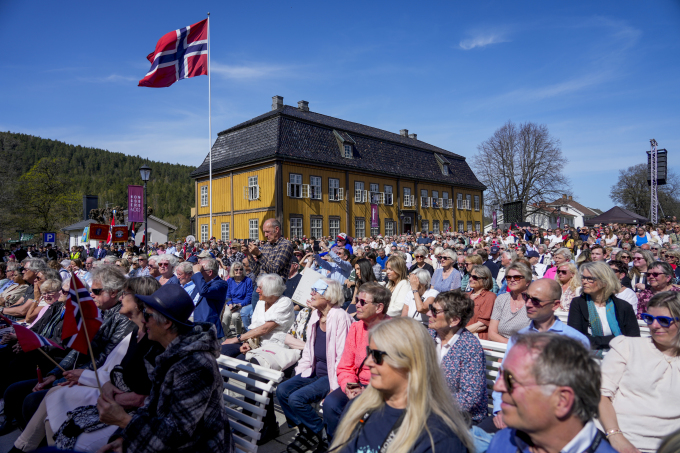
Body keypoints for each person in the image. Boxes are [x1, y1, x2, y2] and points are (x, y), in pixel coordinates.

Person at [9, 277, 163, 452]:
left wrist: (83, 376)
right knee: (45, 399)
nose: (121, 298)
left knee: (45, 399)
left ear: (139, 299)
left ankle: (24, 447)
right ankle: (23, 447)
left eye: (125, 294)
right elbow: (85, 349)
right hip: (99, 385)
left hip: (113, 399)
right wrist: (58, 374)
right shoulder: (134, 330)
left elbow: (115, 373)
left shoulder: (149, 336)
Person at [95, 284, 234, 453]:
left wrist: (124, 420)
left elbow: (178, 432)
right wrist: (123, 437)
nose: (143, 319)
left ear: (167, 323)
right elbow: (151, 408)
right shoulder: (168, 352)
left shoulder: (195, 365)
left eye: (147, 314)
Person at [329, 317, 472, 453]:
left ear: (409, 362)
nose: (368, 363)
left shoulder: (439, 438)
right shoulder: (358, 407)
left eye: (377, 355)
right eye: (369, 353)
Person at [484, 278, 591, 434]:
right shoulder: (519, 337)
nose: (528, 304)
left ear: (555, 305)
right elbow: (505, 376)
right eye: (527, 297)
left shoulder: (575, 341)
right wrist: (500, 409)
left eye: (536, 301)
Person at [486, 332, 616, 453]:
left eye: (510, 378)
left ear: (561, 400)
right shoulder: (503, 441)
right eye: (501, 374)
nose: (497, 387)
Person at [277, 279, 354, 453]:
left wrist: (334, 388)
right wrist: (300, 372)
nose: (311, 293)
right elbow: (309, 351)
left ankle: (323, 435)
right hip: (314, 370)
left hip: (331, 374)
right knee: (282, 391)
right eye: (312, 289)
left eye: (316, 290)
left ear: (330, 295)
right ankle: (309, 431)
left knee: (296, 399)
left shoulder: (340, 316)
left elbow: (342, 356)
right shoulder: (316, 315)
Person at [598, 291, 680, 453]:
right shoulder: (628, 346)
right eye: (649, 319)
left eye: (664, 321)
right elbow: (600, 395)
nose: (654, 326)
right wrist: (615, 436)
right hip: (616, 437)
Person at [323, 282, 390, 441]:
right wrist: (351, 387)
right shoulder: (356, 327)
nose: (356, 306)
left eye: (362, 302)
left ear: (379, 307)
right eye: (357, 300)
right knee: (330, 404)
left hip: (380, 389)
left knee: (352, 412)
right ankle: (335, 443)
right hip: (356, 383)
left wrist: (368, 391)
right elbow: (345, 366)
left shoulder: (393, 330)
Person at [428, 291, 488, 424]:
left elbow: (469, 398)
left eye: (434, 311)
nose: (428, 314)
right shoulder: (429, 336)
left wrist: (429, 402)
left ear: (454, 320)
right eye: (430, 308)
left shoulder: (470, 347)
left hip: (462, 417)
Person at [567, 261, 640, 356]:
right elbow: (576, 338)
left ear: (605, 282)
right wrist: (616, 339)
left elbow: (633, 339)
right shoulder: (578, 303)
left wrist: (596, 340)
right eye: (583, 278)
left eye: (590, 279)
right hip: (587, 358)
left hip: (619, 358)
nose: (584, 281)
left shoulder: (623, 307)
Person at [489, 262, 531, 344]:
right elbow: (492, 333)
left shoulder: (534, 302)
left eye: (517, 277)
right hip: (502, 348)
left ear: (527, 282)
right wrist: (510, 345)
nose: (512, 280)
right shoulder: (501, 299)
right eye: (508, 277)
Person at [191, 257, 229, 338]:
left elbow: (204, 291)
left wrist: (198, 272)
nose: (197, 273)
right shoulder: (201, 282)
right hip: (191, 322)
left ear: (210, 272)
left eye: (201, 270)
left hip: (206, 328)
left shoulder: (221, 284)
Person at [221, 262, 254, 337]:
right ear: (233, 270)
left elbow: (249, 296)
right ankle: (224, 334)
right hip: (231, 303)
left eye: (241, 269)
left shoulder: (248, 281)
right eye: (236, 269)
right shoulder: (229, 281)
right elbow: (227, 294)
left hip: (242, 303)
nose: (238, 271)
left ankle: (238, 334)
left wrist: (241, 305)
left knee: (235, 316)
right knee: (226, 315)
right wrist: (230, 304)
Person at [466, 265, 496, 339]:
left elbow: (482, 325)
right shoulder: (465, 296)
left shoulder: (489, 297)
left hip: (477, 338)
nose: (470, 279)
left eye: (475, 277)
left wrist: (459, 333)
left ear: (485, 279)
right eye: (470, 276)